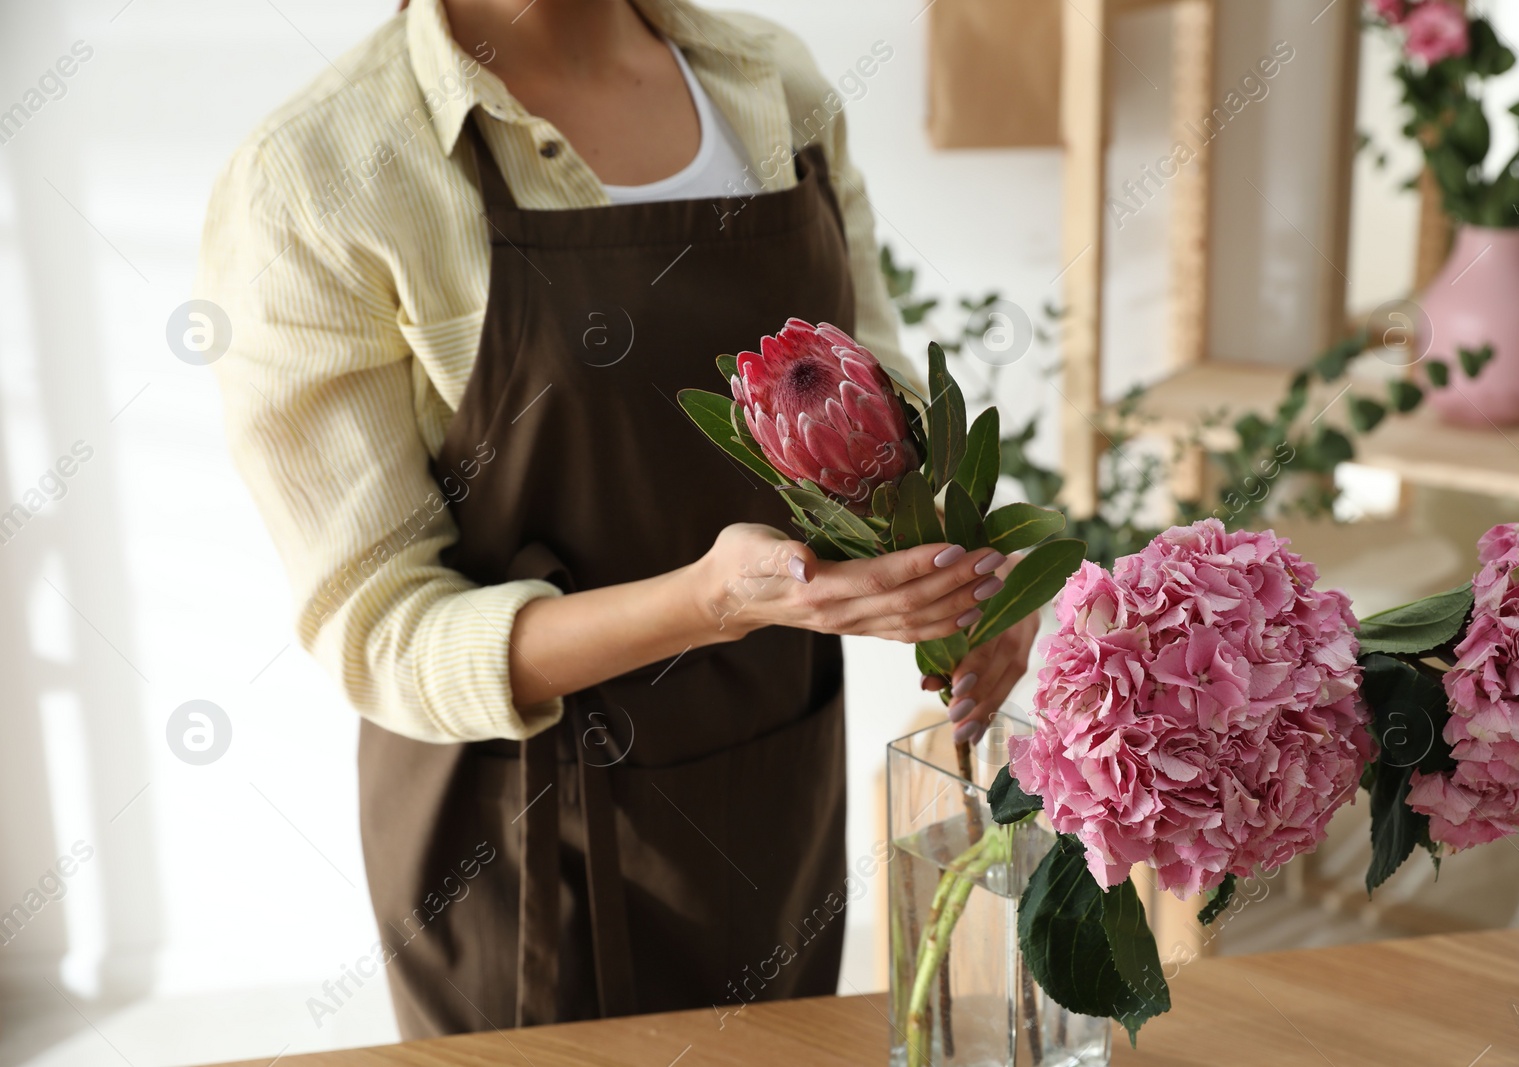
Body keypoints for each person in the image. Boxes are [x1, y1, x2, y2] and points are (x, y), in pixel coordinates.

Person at [196, 0, 1038, 1038]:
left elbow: (876, 386)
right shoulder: (322, 174)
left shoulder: (771, 81)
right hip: (525, 838)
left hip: (772, 782)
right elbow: (381, 630)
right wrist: (709, 601)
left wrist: (968, 563)